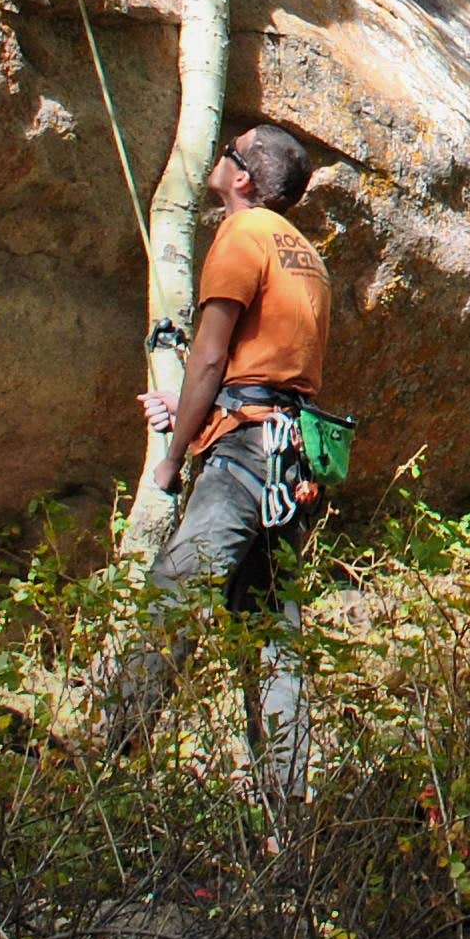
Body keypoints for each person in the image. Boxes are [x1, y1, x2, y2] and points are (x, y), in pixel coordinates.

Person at [103, 122, 334, 807]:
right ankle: (288, 809)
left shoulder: (239, 236)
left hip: (244, 454)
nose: (222, 153)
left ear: (242, 178)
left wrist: (174, 458)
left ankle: (107, 759)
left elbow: (210, 357)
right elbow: (268, 370)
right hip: (288, 457)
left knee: (176, 586)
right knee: (271, 635)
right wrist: (191, 411)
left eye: (231, 149)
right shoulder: (305, 254)